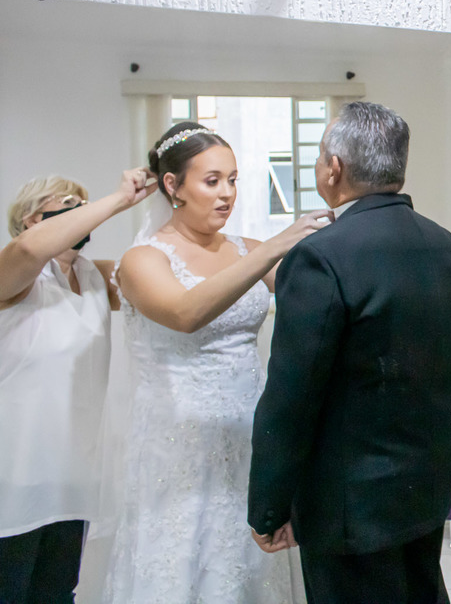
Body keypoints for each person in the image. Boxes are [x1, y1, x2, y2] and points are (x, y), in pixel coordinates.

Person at [247, 101, 451, 603]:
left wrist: (268, 505)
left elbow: (291, 397)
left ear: (334, 168)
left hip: (349, 504)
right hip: (425, 486)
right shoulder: (445, 245)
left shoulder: (321, 255)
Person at [104, 122, 330, 603]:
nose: (227, 193)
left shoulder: (247, 250)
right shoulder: (143, 260)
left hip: (250, 433)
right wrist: (277, 243)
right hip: (179, 446)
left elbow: (317, 298)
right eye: (212, 181)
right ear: (173, 185)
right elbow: (185, 313)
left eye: (233, 180)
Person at [0, 169, 154, 604]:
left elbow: (160, 276)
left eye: (81, 205)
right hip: (14, 471)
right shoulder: (15, 272)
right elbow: (29, 249)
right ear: (32, 219)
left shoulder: (93, 277)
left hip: (72, 473)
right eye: (68, 206)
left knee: (56, 592)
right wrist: (119, 199)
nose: (82, 214)